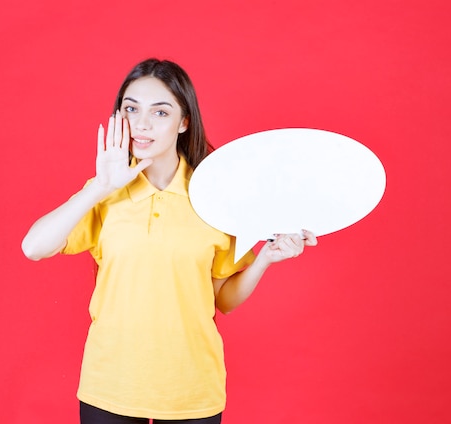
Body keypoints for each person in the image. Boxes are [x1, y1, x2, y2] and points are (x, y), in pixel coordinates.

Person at [21, 58, 317, 424]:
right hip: (111, 384)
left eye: (160, 112)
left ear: (184, 122)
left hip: (190, 388)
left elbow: (223, 299)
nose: (141, 125)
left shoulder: (214, 198)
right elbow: (33, 247)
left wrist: (265, 259)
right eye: (131, 109)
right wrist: (99, 187)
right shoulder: (104, 194)